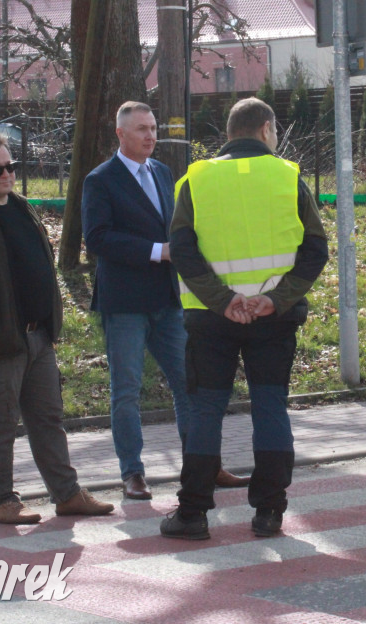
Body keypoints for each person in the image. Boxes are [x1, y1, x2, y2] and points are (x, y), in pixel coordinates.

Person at [159, 97, 328, 540]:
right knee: (270, 406)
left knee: (206, 410)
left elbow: (183, 250)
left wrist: (222, 299)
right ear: (266, 129)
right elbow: (315, 250)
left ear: (229, 133)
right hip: (273, 318)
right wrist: (277, 298)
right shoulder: (289, 177)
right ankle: (269, 511)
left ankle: (193, 513)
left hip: (211, 318)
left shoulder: (194, 180)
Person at [0, 131, 114, 524]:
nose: (7, 175)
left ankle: (66, 494)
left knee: (49, 419)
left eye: (11, 167)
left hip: (37, 336)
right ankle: (2, 500)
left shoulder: (20, 207)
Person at [82, 101, 247, 501]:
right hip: (124, 303)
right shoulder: (100, 180)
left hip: (167, 300)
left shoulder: (163, 172)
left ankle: (204, 464)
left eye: (153, 128)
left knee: (189, 384)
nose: (151, 136)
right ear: (120, 134)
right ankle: (133, 473)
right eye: (141, 129)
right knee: (127, 389)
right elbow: (98, 238)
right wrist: (159, 251)